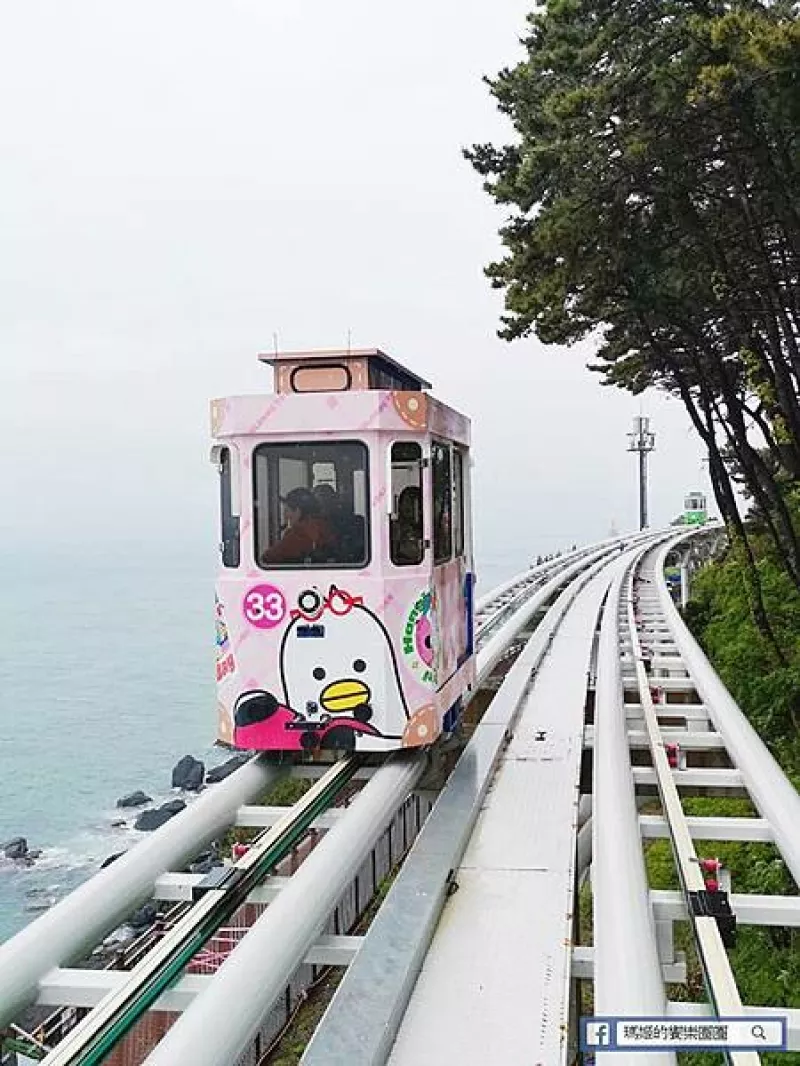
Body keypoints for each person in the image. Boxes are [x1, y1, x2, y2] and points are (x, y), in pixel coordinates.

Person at [261, 487, 335, 565]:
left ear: (298, 511)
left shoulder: (298, 534)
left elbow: (268, 558)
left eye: (287, 510)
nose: (284, 515)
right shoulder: (326, 527)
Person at [391, 485, 423, 564]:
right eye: (407, 503)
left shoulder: (427, 530)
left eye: (414, 504)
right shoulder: (393, 528)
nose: (410, 507)